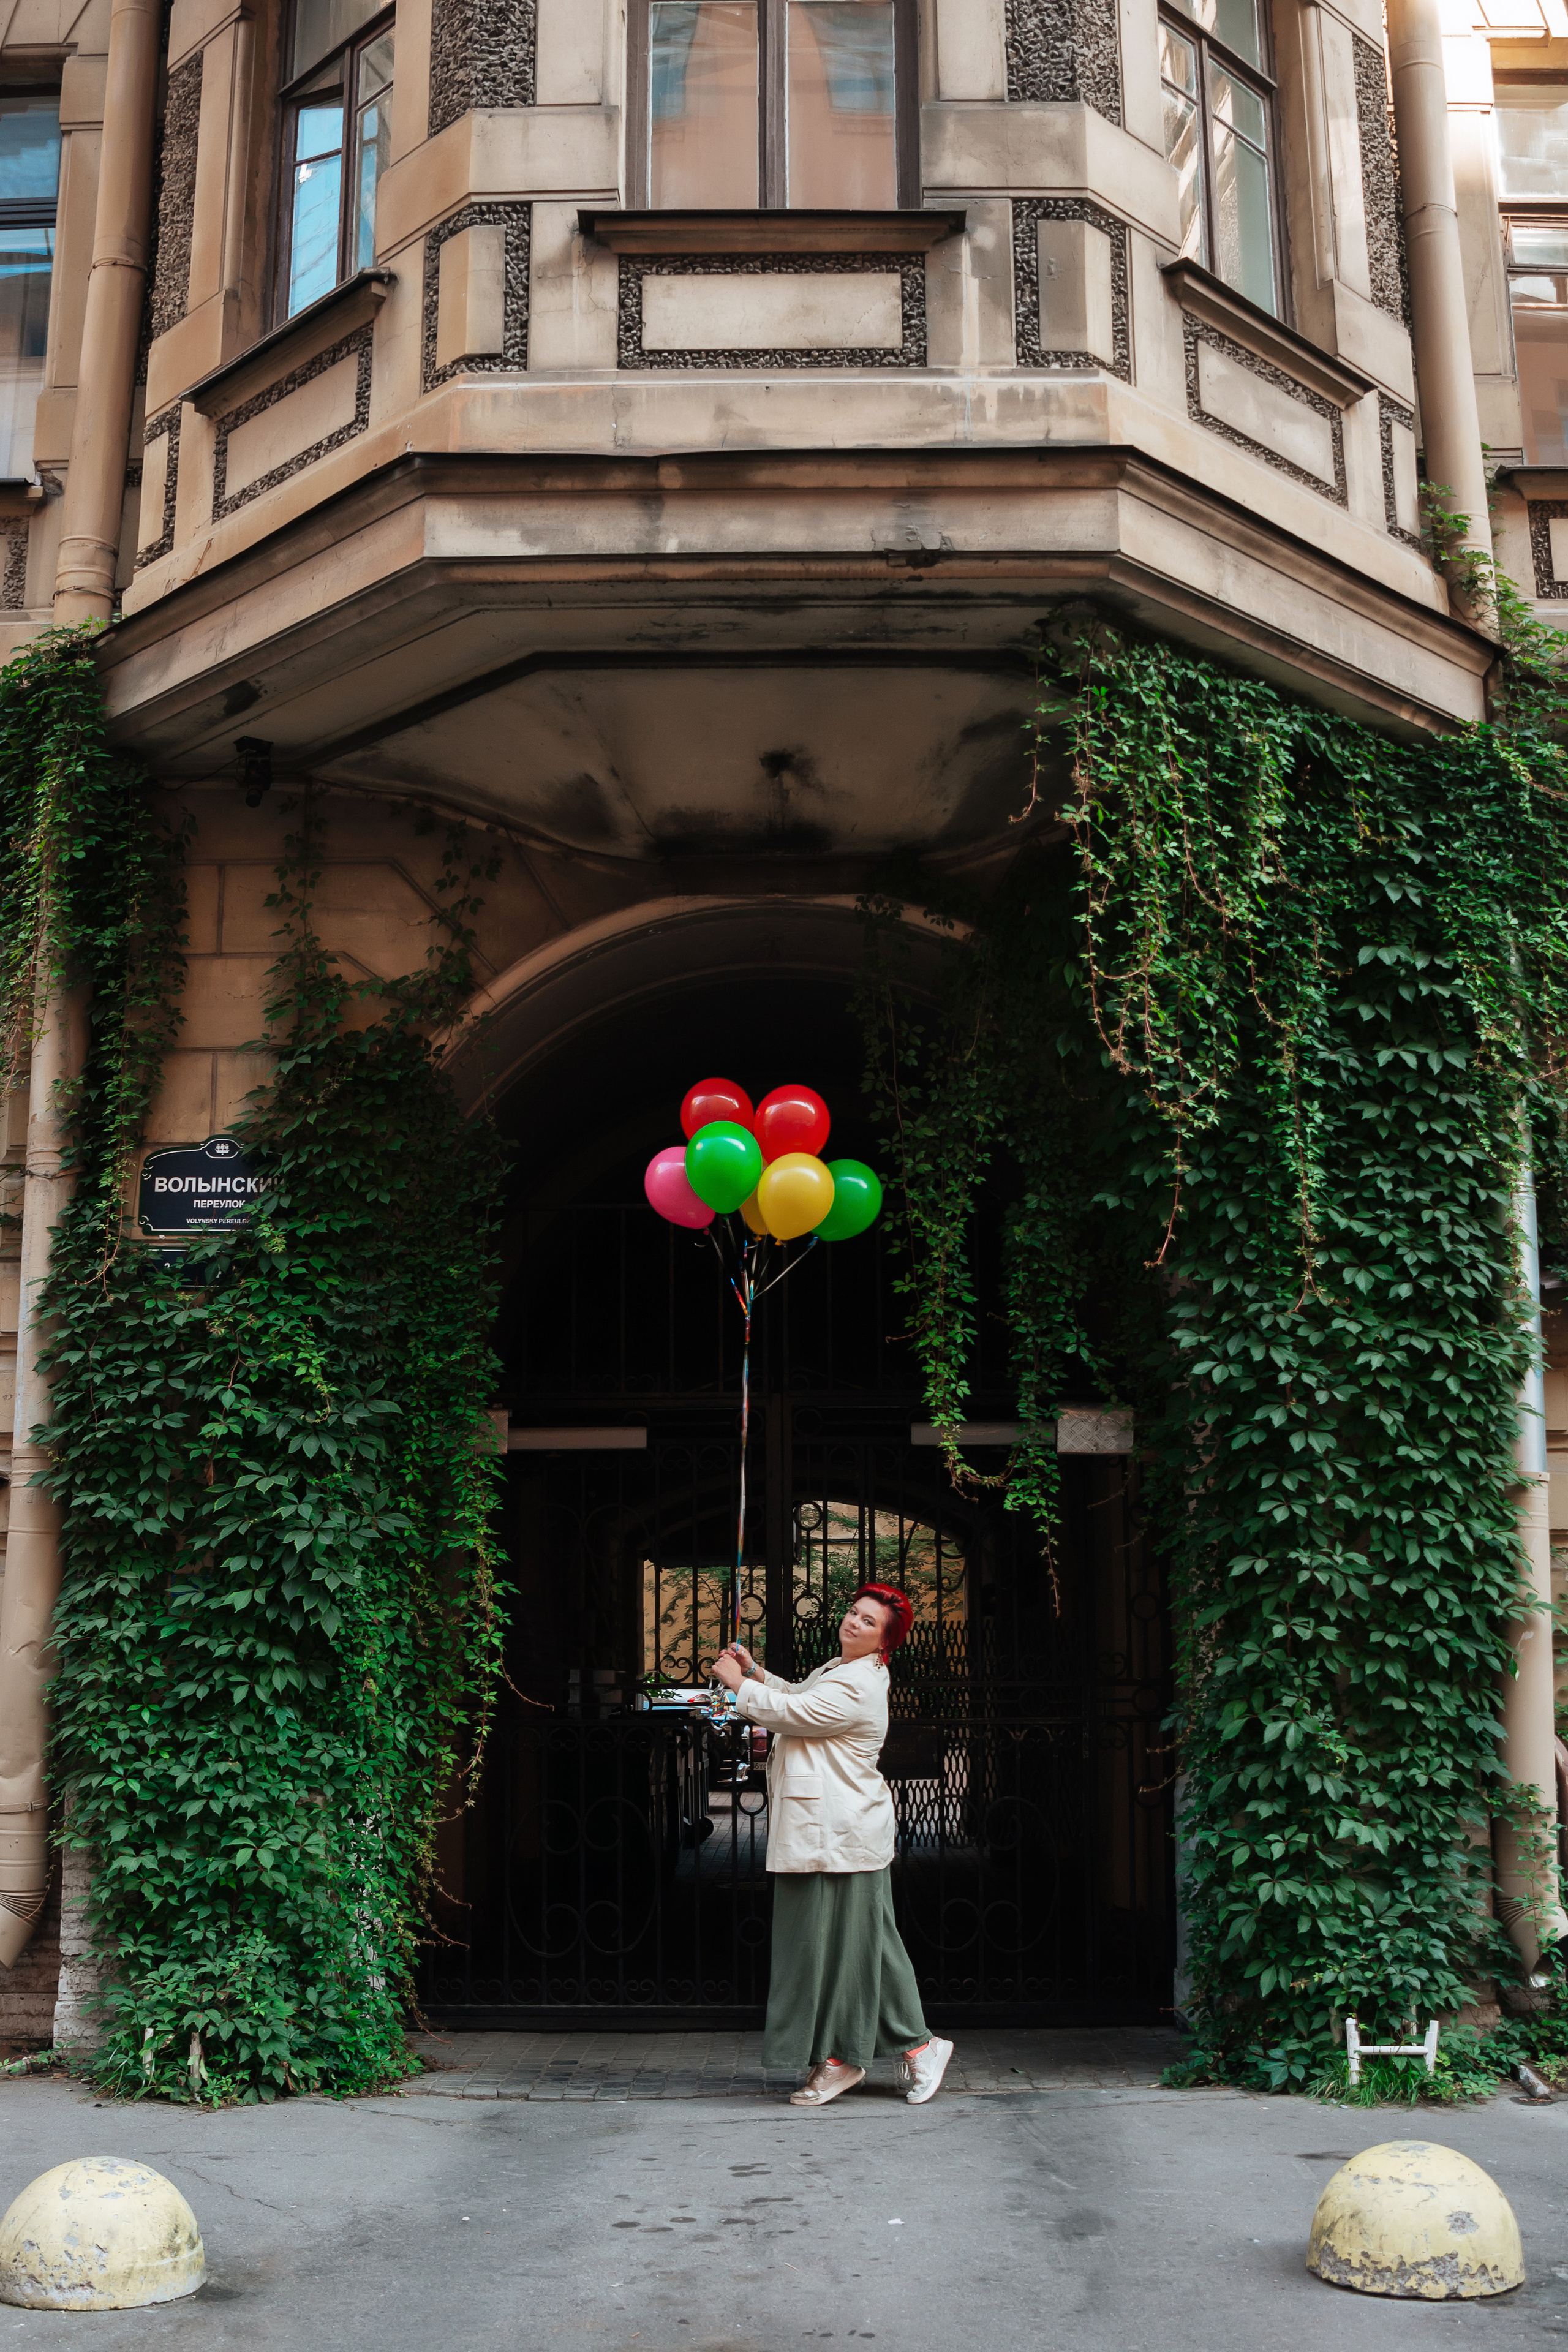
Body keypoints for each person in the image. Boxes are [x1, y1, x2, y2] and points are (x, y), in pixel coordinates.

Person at [711, 1582, 954, 2108]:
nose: (853, 1622)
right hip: (828, 1833)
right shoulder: (837, 1671)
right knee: (859, 1943)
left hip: (840, 1833)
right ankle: (915, 2048)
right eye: (853, 1613)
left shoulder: (862, 1684)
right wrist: (754, 1673)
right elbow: (801, 1695)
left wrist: (738, 1688)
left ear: (886, 1641)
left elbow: (792, 1716)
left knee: (851, 1946)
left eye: (869, 1622)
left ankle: (848, 2058)